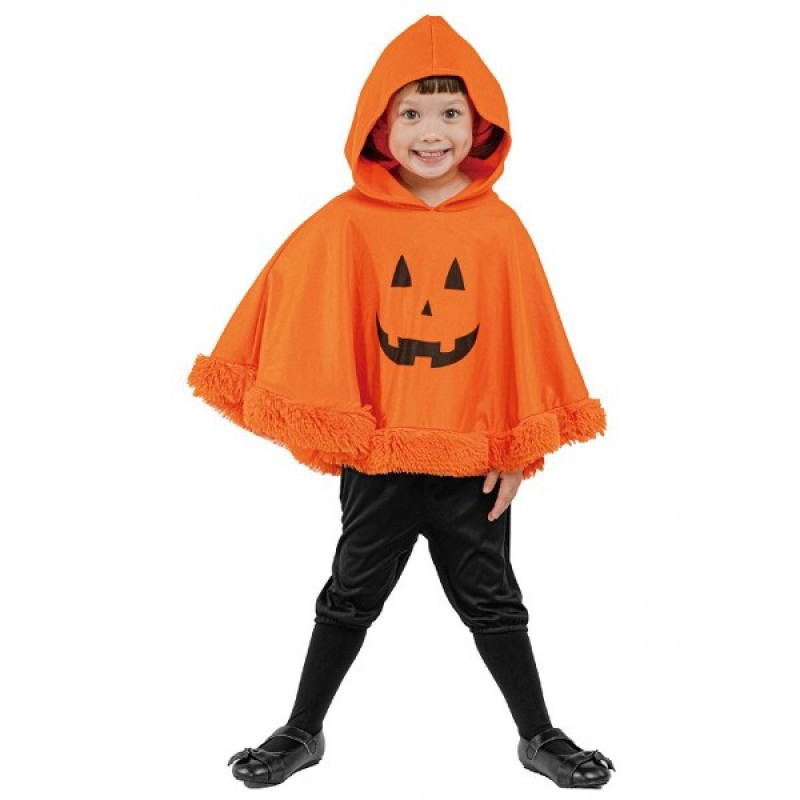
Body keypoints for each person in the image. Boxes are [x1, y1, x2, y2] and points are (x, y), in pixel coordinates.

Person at [188, 14, 614, 790]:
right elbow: (300, 306)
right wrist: (321, 413)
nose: (431, 131)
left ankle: (539, 735)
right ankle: (303, 729)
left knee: (495, 602)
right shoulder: (347, 224)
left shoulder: (498, 232)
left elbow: (523, 344)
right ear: (379, 126)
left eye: (450, 112)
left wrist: (518, 451)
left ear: (480, 123)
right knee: (349, 594)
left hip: (470, 466)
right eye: (411, 112)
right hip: (379, 457)